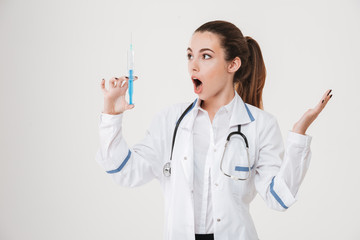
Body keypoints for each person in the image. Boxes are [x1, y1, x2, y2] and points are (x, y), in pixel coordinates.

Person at [96, 20, 332, 240]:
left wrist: (298, 136)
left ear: (233, 64)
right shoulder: (170, 121)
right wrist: (111, 115)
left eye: (205, 56)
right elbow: (124, 172)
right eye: (190, 56)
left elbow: (279, 198)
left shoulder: (261, 125)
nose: (193, 66)